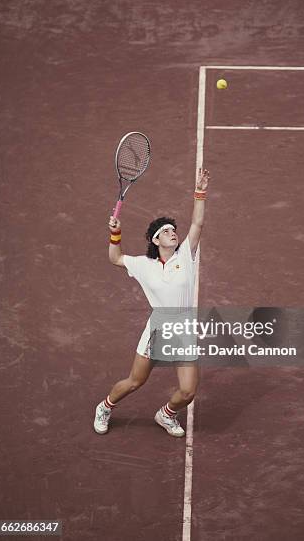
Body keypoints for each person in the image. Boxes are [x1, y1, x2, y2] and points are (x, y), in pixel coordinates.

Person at [93, 167, 210, 438]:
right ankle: (105, 406)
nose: (172, 232)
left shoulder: (186, 256)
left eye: (173, 229)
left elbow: (198, 224)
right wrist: (116, 233)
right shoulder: (143, 265)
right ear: (156, 240)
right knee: (135, 381)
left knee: (188, 391)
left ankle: (166, 414)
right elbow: (115, 258)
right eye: (166, 231)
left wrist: (201, 192)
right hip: (158, 329)